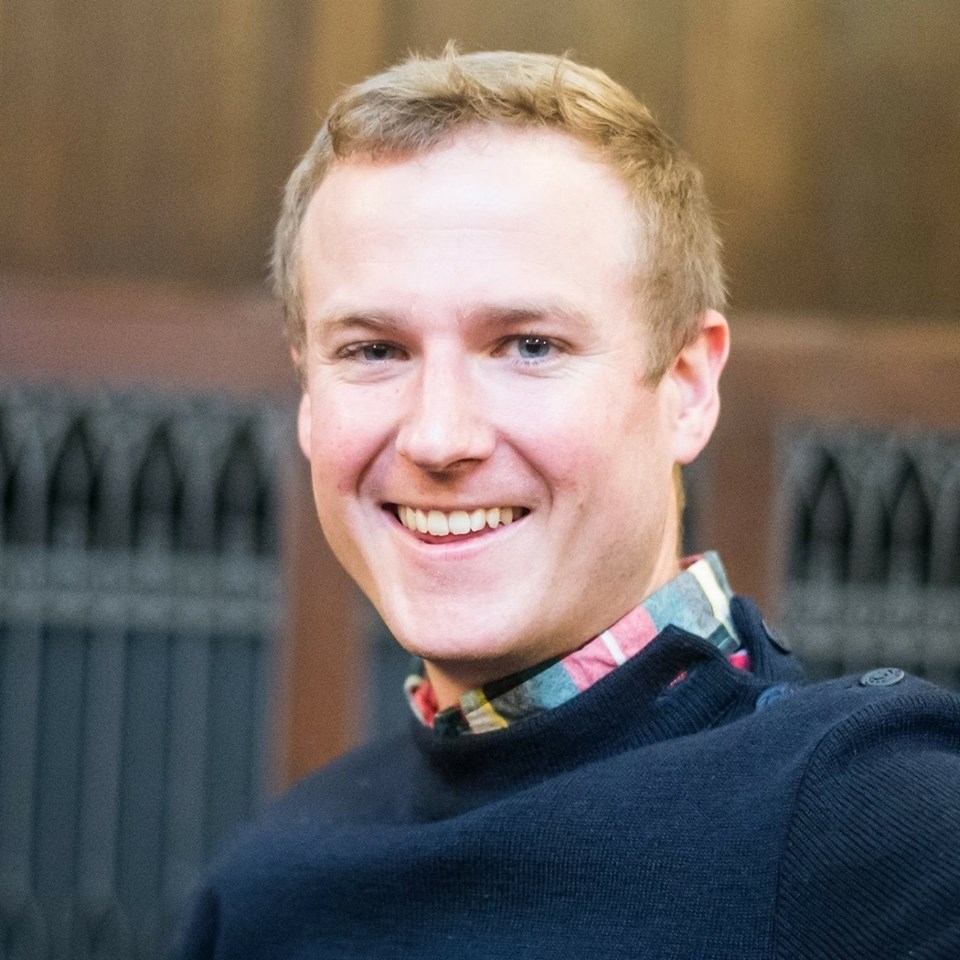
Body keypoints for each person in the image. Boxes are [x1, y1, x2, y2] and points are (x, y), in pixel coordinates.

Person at [179, 48, 960, 958]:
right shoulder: (268, 890)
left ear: (688, 386)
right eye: (372, 350)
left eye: (530, 345)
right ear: (309, 398)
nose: (438, 437)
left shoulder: (878, 833)